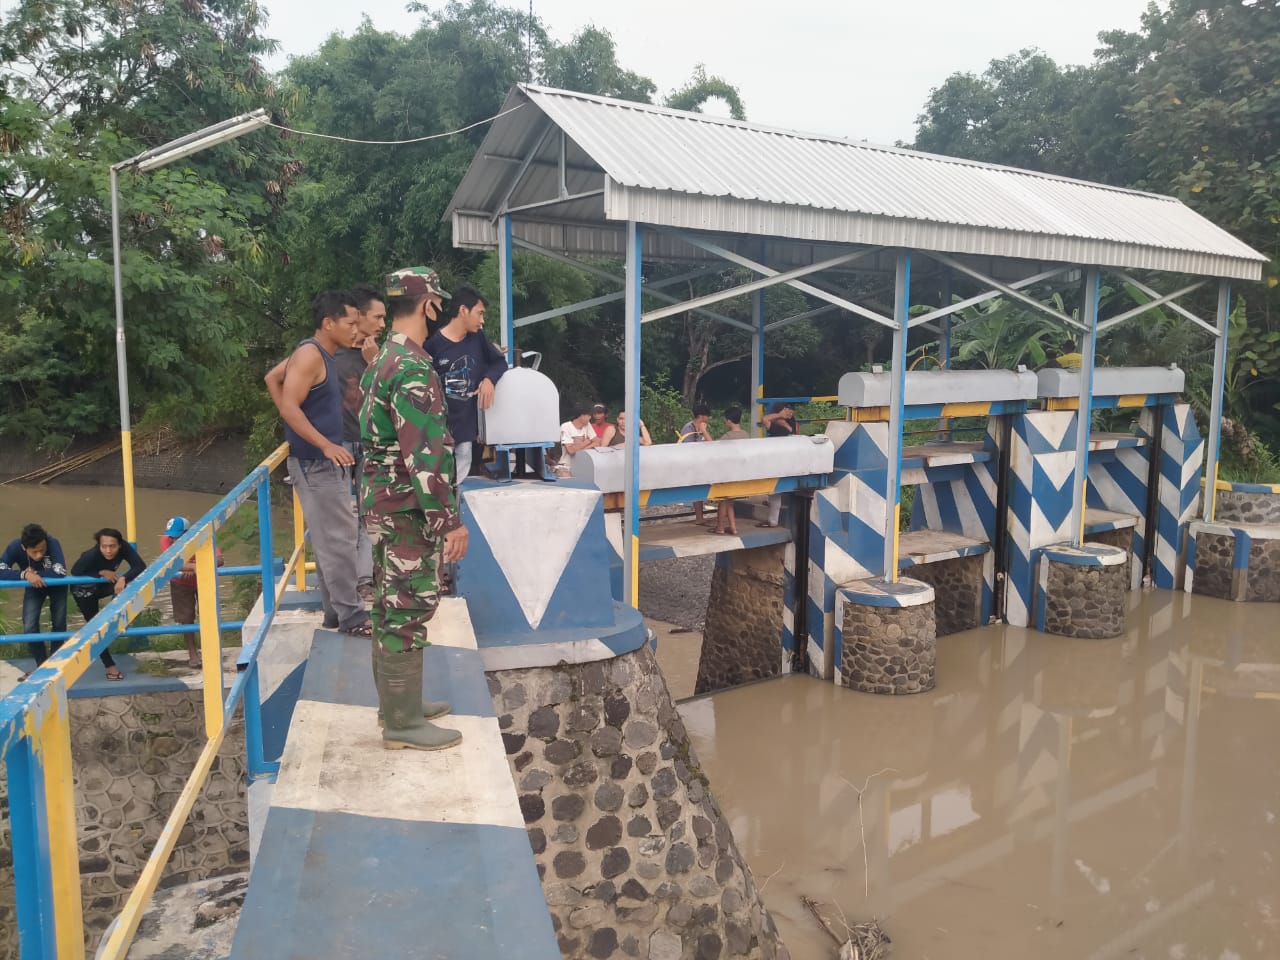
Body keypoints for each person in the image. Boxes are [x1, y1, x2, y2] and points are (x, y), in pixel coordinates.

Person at [360, 265, 468, 751]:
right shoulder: (412, 368)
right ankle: (402, 725)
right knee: (408, 605)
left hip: (382, 503)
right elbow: (425, 454)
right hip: (408, 507)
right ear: (429, 304)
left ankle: (396, 706)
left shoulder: (382, 359)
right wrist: (449, 523)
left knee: (388, 601)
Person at [266, 289, 371, 637]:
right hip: (317, 464)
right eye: (350, 323)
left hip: (320, 461)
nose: (356, 330)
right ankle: (353, 617)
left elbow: (272, 378)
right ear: (329, 323)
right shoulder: (310, 355)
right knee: (340, 541)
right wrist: (324, 445)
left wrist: (311, 441)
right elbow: (289, 407)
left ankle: (335, 614)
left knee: (330, 541)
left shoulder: (318, 353)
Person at [424, 285, 507, 484]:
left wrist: (489, 380)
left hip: (466, 427)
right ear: (463, 311)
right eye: (479, 314)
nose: (482, 321)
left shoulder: (478, 339)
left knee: (461, 470)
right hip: (438, 429)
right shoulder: (432, 345)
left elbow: (499, 362)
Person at [70, 527, 146, 680]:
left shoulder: (124, 548)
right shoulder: (91, 556)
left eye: (112, 546)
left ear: (119, 545)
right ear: (99, 546)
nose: (108, 550)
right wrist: (101, 572)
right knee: (96, 628)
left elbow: (140, 566)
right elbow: (75, 571)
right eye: (104, 546)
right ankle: (110, 666)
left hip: (104, 585)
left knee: (125, 586)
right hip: (84, 590)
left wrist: (124, 578)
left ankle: (113, 619)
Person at [0, 523, 69, 680]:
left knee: (59, 624)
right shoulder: (14, 547)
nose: (39, 555)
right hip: (33, 586)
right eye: (34, 552)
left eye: (42, 550)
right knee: (30, 625)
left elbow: (61, 571)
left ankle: (54, 665)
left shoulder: (52, 542)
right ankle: (41, 666)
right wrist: (24, 574)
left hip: (57, 586)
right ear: (24, 548)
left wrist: (36, 573)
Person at [159, 516, 222, 669]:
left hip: (205, 581)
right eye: (172, 537)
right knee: (186, 618)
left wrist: (193, 567)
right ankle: (193, 653)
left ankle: (210, 652)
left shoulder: (203, 537)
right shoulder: (166, 540)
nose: (174, 541)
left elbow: (220, 560)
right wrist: (191, 567)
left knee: (208, 615)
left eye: (178, 537)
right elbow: (169, 563)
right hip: (180, 583)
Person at [759, 402, 799, 527]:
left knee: (775, 492)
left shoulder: (776, 428)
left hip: (777, 462)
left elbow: (765, 419)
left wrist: (778, 415)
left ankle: (772, 521)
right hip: (792, 461)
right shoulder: (793, 426)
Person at [715, 406, 750, 535]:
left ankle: (720, 527)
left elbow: (712, 448)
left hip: (728, 473)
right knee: (730, 501)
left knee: (723, 501)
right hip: (740, 473)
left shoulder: (728, 436)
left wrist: (704, 431)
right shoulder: (746, 435)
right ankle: (733, 528)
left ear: (729, 421)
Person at [679, 403, 713, 524]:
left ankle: (700, 517)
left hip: (701, 464)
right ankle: (699, 517)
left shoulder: (703, 428)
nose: (708, 418)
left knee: (700, 490)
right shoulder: (689, 428)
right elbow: (688, 448)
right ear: (701, 416)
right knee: (697, 490)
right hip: (691, 464)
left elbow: (711, 444)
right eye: (707, 416)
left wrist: (703, 431)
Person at [557, 402, 600, 478]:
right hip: (567, 465)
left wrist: (583, 449)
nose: (590, 418)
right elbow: (570, 451)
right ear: (582, 416)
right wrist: (586, 442)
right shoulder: (566, 426)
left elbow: (597, 442)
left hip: (583, 464)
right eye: (589, 415)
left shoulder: (587, 425)